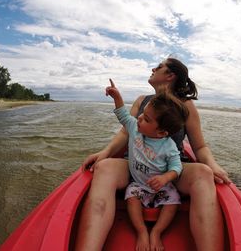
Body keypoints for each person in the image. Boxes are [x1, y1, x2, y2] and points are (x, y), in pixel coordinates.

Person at [75, 57, 231, 251]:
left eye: (158, 67)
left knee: (204, 174)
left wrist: (212, 165)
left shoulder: (185, 106)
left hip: (171, 171)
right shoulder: (142, 101)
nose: (152, 68)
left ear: (170, 75)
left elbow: (199, 148)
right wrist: (105, 152)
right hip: (135, 165)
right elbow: (126, 132)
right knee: (103, 167)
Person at [105, 78, 189, 250]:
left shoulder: (169, 146)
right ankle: (142, 231)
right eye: (143, 114)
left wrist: (166, 178)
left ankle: (156, 232)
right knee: (132, 197)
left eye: (147, 119)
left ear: (161, 132)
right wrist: (117, 96)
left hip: (161, 187)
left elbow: (176, 167)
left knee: (174, 201)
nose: (140, 118)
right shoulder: (135, 127)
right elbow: (123, 115)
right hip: (139, 184)